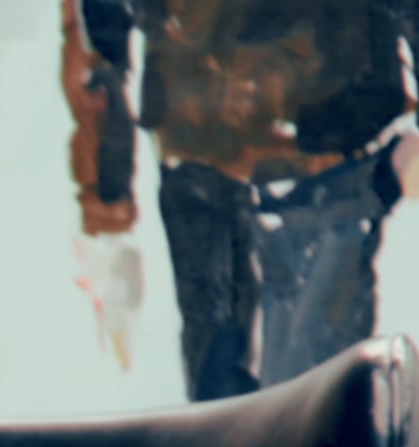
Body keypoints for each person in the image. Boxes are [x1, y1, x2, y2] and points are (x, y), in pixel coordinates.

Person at [63, 0, 419, 400]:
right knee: (227, 403)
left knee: (310, 395)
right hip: (203, 159)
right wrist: (106, 206)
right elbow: (100, 37)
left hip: (330, 154)